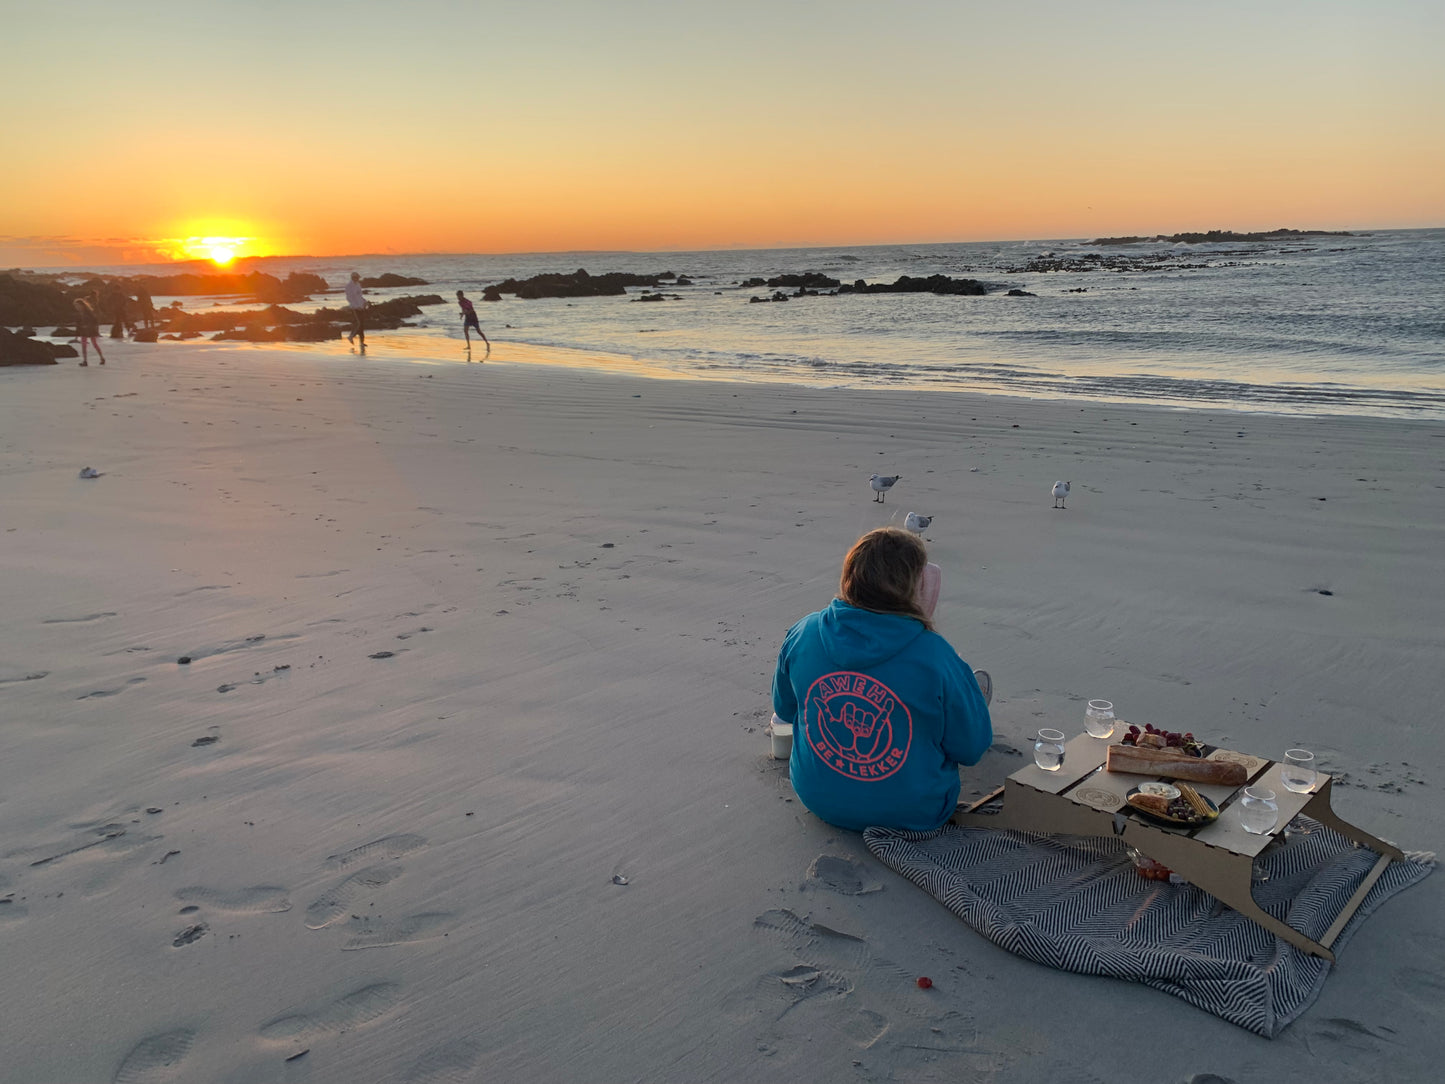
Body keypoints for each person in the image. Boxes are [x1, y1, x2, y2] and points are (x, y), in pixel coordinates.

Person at [771, 527, 992, 832]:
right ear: (911, 588)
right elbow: (972, 750)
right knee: (951, 704)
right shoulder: (936, 655)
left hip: (817, 797)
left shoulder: (802, 633)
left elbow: (784, 709)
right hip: (917, 813)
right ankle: (970, 700)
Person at [72, 297, 105, 366]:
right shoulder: (79, 314)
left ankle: (102, 358)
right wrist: (77, 335)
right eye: (75, 306)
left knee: (94, 344)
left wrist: (90, 326)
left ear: (82, 305)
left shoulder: (88, 312)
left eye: (77, 305)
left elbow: (95, 321)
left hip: (91, 330)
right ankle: (85, 361)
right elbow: (78, 325)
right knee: (84, 346)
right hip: (84, 331)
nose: (76, 307)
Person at [456, 290, 489, 356]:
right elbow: (463, 309)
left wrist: (465, 313)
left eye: (459, 296)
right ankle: (468, 345)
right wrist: (462, 314)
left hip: (473, 316)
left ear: (462, 295)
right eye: (457, 296)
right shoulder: (460, 302)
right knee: (465, 331)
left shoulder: (468, 301)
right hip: (467, 317)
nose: (458, 297)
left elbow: (471, 310)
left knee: (479, 331)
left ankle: (487, 343)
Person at [345, 272, 367, 345]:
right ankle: (351, 336)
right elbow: (349, 298)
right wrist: (356, 306)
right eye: (356, 277)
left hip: (361, 306)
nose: (358, 279)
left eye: (358, 277)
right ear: (353, 277)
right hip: (354, 307)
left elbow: (359, 296)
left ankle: (362, 342)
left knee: (362, 324)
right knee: (358, 323)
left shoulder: (358, 284)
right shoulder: (349, 286)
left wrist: (364, 302)